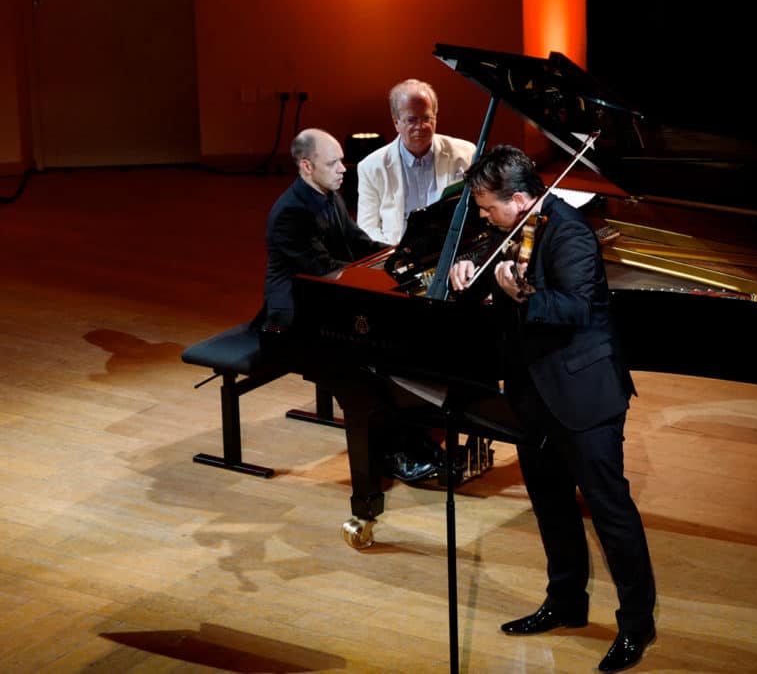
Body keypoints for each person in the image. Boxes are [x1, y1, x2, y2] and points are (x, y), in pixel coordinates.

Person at [449, 145, 657, 673]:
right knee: (549, 501)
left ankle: (637, 624)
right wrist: (467, 268)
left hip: (584, 394)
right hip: (532, 393)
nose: (482, 215)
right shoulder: (509, 226)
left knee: (610, 512)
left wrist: (522, 296)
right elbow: (481, 254)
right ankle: (566, 602)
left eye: (488, 206)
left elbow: (576, 308)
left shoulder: (570, 234)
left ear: (520, 199)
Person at [253, 127, 440, 483]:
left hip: (323, 305)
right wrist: (375, 281)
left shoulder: (328, 196)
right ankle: (393, 454)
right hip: (290, 321)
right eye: (333, 162)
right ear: (306, 167)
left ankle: (417, 438)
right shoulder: (291, 212)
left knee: (393, 352)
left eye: (342, 159)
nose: (343, 168)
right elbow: (323, 271)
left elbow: (357, 243)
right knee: (365, 369)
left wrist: (400, 258)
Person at [356, 78, 477, 245]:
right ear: (396, 122)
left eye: (427, 118)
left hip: (452, 249)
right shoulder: (370, 167)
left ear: (436, 117)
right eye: (412, 120)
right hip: (397, 256)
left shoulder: (466, 153)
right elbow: (367, 228)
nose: (420, 127)